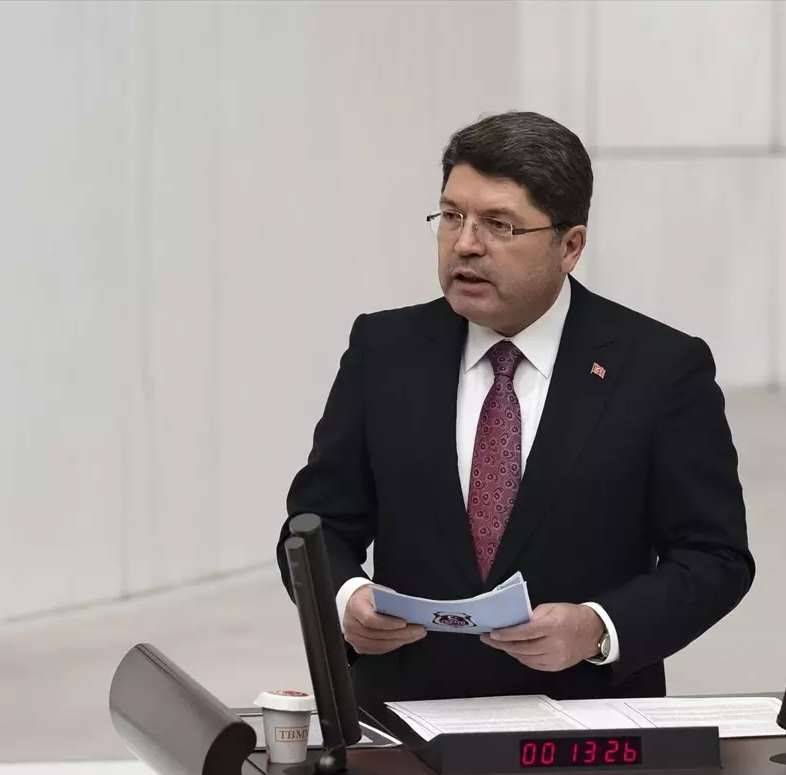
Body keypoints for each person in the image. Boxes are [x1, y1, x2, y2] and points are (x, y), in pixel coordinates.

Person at [276, 111, 754, 705]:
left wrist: (599, 627)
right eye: (452, 216)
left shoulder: (660, 368)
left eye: (500, 225)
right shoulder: (384, 350)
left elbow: (714, 557)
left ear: (570, 246)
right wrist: (346, 599)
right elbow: (315, 526)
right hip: (404, 717)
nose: (466, 243)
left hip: (582, 724)